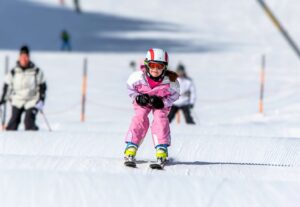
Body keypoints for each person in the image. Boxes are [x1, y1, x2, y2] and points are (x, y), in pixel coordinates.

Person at [124, 48, 180, 165]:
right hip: (143, 102)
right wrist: (137, 97)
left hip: (160, 103)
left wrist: (163, 103)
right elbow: (130, 87)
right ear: (147, 65)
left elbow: (175, 95)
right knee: (140, 117)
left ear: (164, 67)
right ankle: (131, 145)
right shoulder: (137, 77)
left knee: (160, 118)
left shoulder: (170, 81)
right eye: (152, 65)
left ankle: (161, 148)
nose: (155, 69)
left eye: (159, 66)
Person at [0, 45, 47, 131]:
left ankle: (34, 139)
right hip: (18, 100)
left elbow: (42, 87)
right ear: (19, 57)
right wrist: (3, 99)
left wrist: (41, 101)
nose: (24, 59)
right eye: (22, 56)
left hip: (32, 100)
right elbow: (7, 86)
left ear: (29, 57)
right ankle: (10, 141)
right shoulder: (13, 72)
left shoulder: (36, 71)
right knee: (13, 124)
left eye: (26, 56)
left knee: (28, 122)